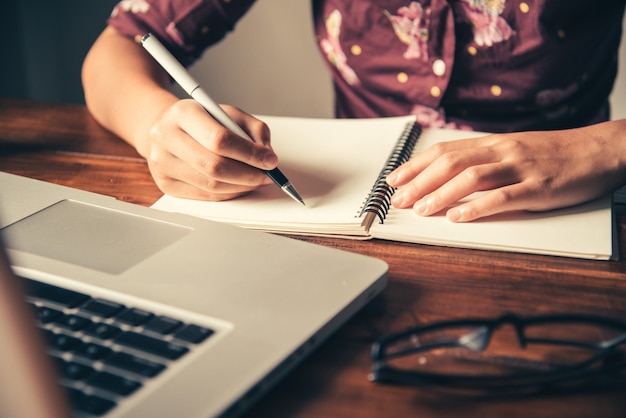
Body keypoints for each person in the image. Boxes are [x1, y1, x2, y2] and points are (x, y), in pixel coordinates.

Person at [82, 0, 626, 222]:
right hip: (358, 223)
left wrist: (607, 145)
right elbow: (119, 49)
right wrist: (157, 126)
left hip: (569, 215)